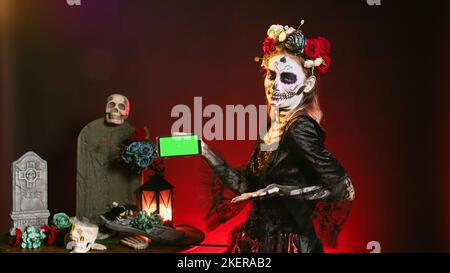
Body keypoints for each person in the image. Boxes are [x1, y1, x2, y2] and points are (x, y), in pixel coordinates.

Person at [200, 22, 355, 253]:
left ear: (308, 84)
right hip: (258, 244)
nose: (275, 85)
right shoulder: (274, 124)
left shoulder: (298, 128)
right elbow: (246, 186)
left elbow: (344, 189)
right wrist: (203, 149)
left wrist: (282, 190)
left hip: (288, 247)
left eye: (288, 78)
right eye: (271, 75)